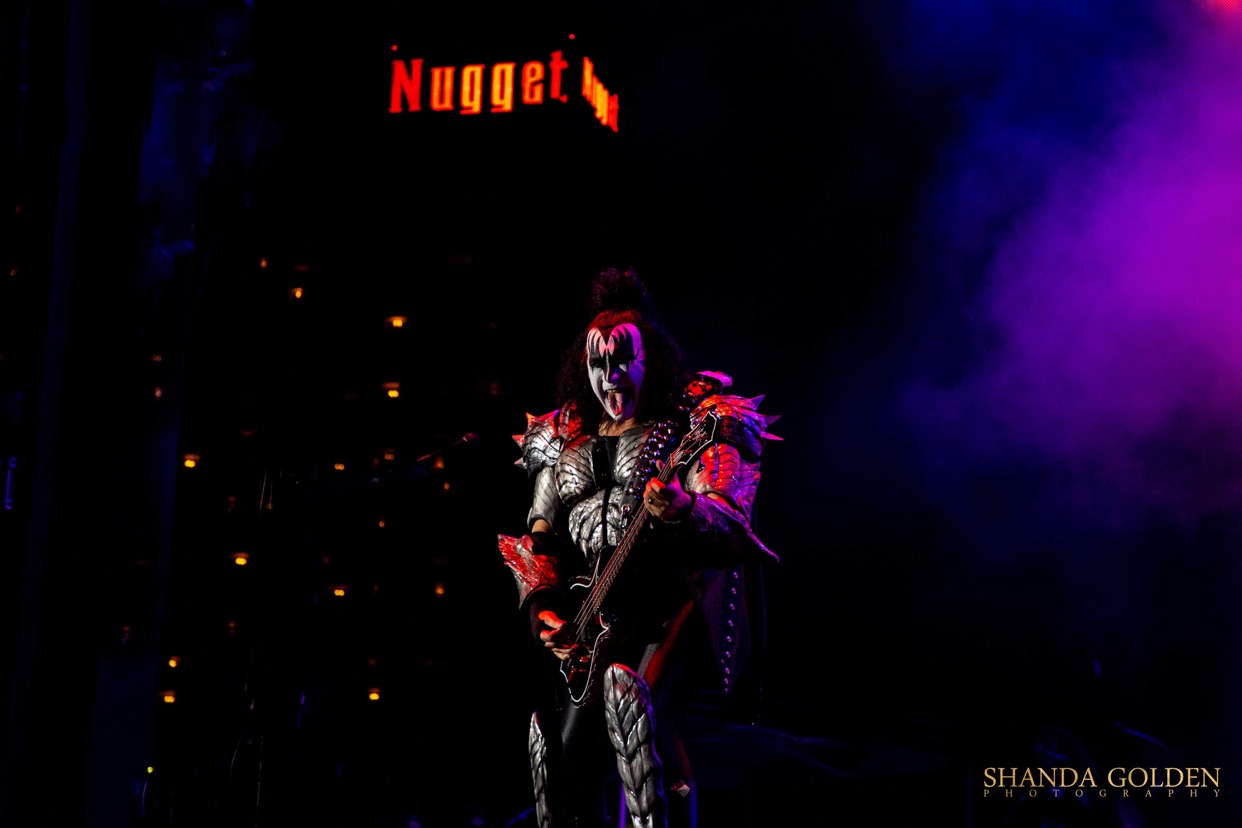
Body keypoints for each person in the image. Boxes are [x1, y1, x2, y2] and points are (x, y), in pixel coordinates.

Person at [498, 266, 781, 828]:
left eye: (623, 358)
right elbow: (536, 539)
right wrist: (543, 610)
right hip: (593, 619)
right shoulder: (562, 438)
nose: (610, 375)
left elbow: (731, 519)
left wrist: (685, 507)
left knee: (637, 713)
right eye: (597, 362)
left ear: (651, 358)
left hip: (669, 603)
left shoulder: (695, 420)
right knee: (558, 761)